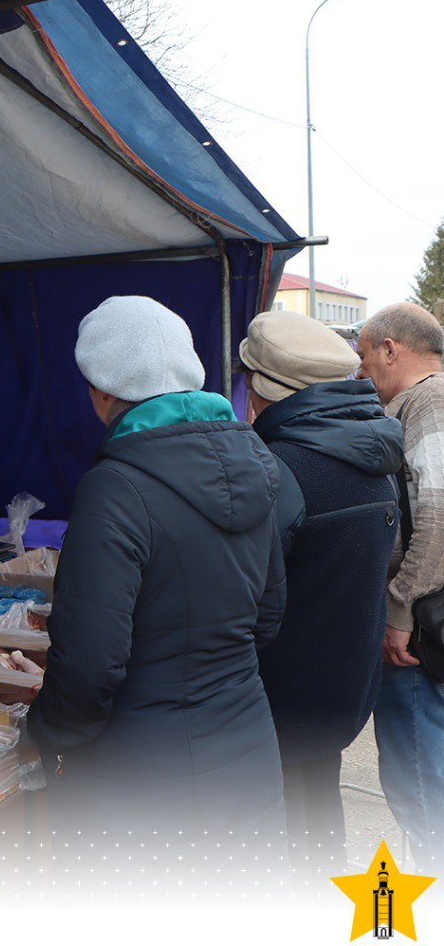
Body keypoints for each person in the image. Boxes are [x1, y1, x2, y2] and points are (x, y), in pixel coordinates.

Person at [26, 296, 287, 878]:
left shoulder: (115, 487)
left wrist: (43, 731)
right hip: (246, 751)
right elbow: (268, 617)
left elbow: (91, 663)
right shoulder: (257, 462)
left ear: (100, 391)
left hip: (144, 781)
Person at [240, 310, 402, 878]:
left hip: (278, 700)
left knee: (278, 848)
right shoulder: (373, 460)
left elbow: (249, 603)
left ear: (262, 389)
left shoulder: (278, 471)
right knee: (317, 822)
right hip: (340, 695)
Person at [356, 302, 444, 870]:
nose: (362, 375)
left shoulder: (428, 402)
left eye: (365, 360)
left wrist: (400, 610)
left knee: (420, 780)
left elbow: (437, 511)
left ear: (391, 349)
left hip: (424, 630)